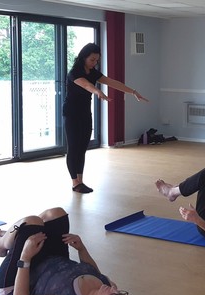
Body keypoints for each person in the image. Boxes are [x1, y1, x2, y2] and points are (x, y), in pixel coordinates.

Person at [0, 207, 136, 295]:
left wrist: (25, 257)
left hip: (18, 281)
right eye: (121, 292)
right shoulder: (106, 286)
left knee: (30, 222)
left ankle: (0, 245)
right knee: (56, 214)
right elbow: (94, 272)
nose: (114, 289)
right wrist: (82, 249)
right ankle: (13, 237)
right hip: (52, 261)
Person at [63, 43, 149, 194]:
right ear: (84, 57)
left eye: (97, 60)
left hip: (85, 113)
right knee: (74, 148)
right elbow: (86, 85)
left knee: (82, 148)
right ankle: (75, 183)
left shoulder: (93, 72)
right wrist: (97, 91)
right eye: (92, 60)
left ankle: (80, 181)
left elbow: (113, 83)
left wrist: (133, 91)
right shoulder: (74, 72)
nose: (94, 63)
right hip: (71, 114)